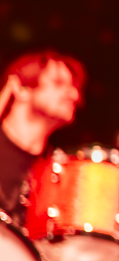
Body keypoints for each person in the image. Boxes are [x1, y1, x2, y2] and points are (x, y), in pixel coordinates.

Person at [0, 50, 84, 221]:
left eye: (74, 87)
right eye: (59, 83)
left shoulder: (58, 176)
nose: (75, 95)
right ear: (20, 88)